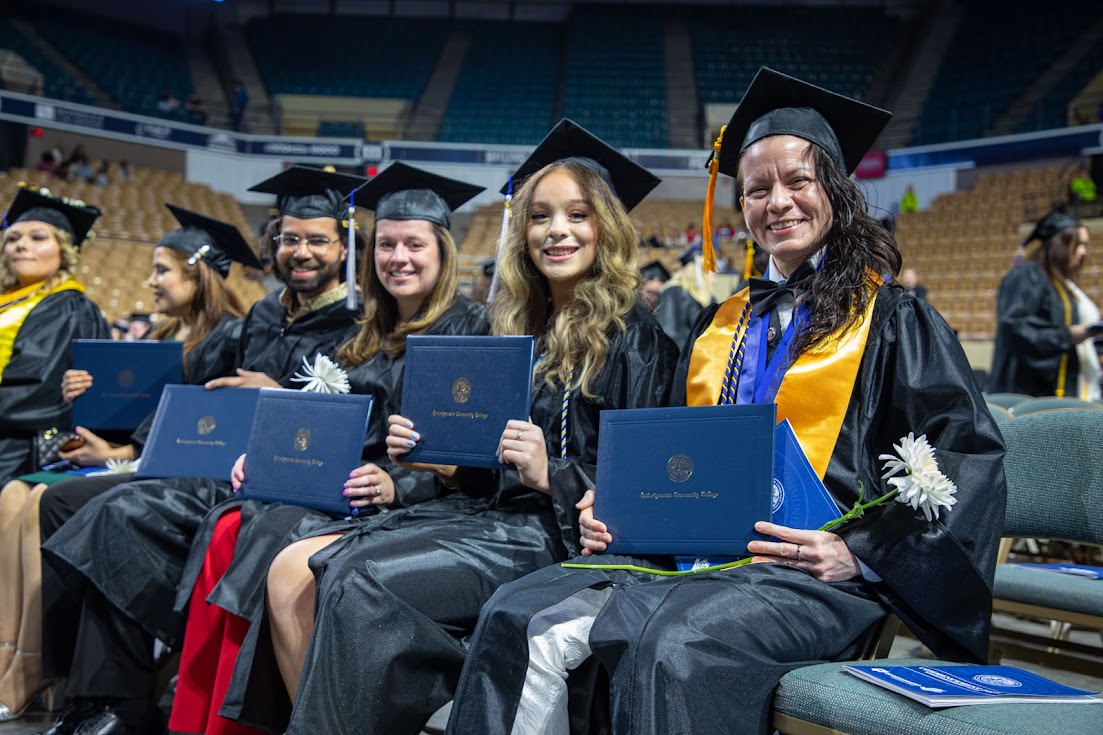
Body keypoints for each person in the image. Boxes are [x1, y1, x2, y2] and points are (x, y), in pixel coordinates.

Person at [446, 67, 1007, 735]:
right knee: (513, 612)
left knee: (672, 645)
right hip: (699, 552)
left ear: (834, 189)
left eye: (797, 182)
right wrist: (612, 503)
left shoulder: (892, 319)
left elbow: (963, 457)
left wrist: (861, 551)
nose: (777, 203)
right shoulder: (719, 324)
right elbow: (671, 452)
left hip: (809, 572)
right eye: (757, 189)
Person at [267, 119, 679, 735]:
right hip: (491, 520)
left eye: (577, 215)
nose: (556, 231)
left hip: (555, 538)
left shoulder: (639, 341)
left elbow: (648, 492)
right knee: (295, 565)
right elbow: (486, 472)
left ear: (607, 229)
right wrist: (437, 457)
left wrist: (553, 474)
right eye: (539, 216)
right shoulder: (513, 330)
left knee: (353, 577)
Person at [36, 167, 366, 735]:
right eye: (289, 238)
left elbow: (361, 423)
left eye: (317, 240)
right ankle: (80, 687)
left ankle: (117, 700)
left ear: (343, 246)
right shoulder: (263, 313)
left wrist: (278, 397)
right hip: (222, 466)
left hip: (283, 484)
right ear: (273, 242)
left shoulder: (358, 322)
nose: (301, 251)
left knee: (118, 511)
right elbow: (196, 385)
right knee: (64, 502)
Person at [166, 162, 487, 735]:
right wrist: (266, 457)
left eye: (414, 244)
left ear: (442, 252)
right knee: (229, 523)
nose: (398, 258)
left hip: (415, 504)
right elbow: (319, 423)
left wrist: (397, 481)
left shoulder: (471, 329)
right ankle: (201, 717)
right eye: (386, 244)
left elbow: (469, 453)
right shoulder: (361, 333)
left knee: (261, 530)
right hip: (343, 490)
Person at [0, 204, 253, 724]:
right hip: (134, 462)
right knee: (25, 496)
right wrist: (84, 399)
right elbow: (130, 421)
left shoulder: (230, 337)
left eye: (162, 270)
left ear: (196, 272)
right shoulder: (159, 339)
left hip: (183, 475)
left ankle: (53, 671)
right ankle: (29, 658)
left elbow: (199, 431)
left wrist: (117, 454)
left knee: (53, 499)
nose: (150, 282)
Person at [0, 185, 108, 485]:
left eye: (38, 238)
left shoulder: (67, 306)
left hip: (17, 447)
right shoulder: (11, 299)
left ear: (64, 249)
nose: (21, 245)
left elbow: (38, 387)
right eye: (12, 238)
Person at [989, 205, 1100, 399]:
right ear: (1060, 243)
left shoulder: (1064, 285)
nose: (1083, 252)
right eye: (1079, 244)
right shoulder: (1027, 276)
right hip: (1030, 391)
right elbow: (1016, 328)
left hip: (1064, 387)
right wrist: (1066, 335)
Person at [655, 248, 714, 349]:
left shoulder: (707, 298)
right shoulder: (673, 293)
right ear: (698, 271)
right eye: (711, 268)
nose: (715, 272)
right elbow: (670, 331)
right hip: (680, 358)